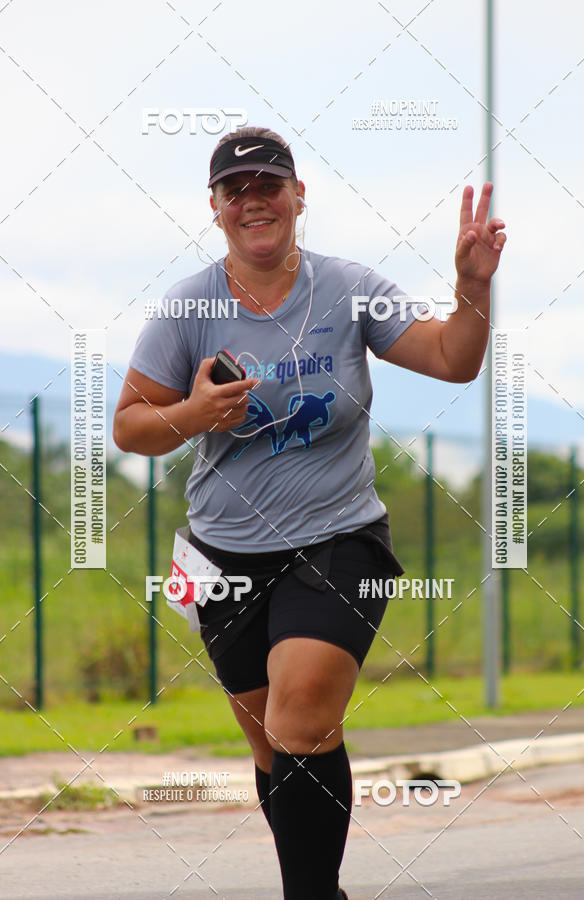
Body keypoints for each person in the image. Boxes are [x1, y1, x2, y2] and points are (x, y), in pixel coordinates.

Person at [113, 126, 506, 899]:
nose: (253, 201)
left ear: (299, 195)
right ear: (215, 207)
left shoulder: (349, 287)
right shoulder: (188, 306)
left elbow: (453, 360)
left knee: (300, 719)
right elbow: (130, 427)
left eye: (268, 185)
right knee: (275, 747)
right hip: (222, 557)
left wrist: (471, 286)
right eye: (235, 190)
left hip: (338, 539)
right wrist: (194, 413)